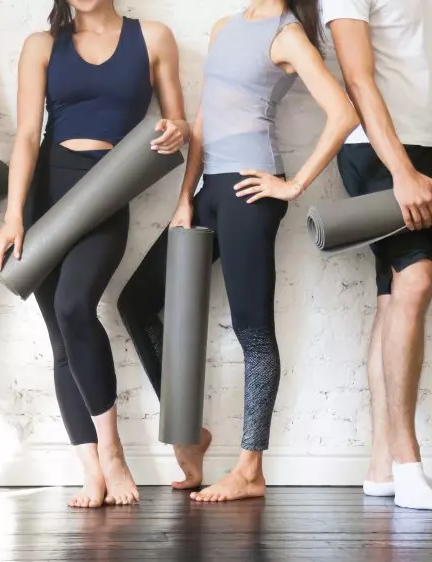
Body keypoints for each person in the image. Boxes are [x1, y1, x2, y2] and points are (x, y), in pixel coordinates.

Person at [117, 0, 357, 502]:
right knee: (136, 303)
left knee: (253, 331)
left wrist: (292, 186)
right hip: (209, 194)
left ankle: (250, 468)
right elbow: (203, 122)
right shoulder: (223, 28)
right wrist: (185, 198)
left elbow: (343, 112)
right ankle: (190, 432)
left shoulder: (287, 35)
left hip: (252, 192)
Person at [0, 0, 191, 508]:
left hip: (107, 192)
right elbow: (29, 135)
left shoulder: (154, 38)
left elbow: (177, 122)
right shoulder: (42, 45)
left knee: (75, 305)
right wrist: (14, 216)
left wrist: (178, 131)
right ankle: (91, 471)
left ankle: (113, 451)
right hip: (47, 193)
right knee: (60, 337)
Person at [325, 0, 432, 510]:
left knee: (394, 296)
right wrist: (401, 173)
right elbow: (358, 79)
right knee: (416, 278)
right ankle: (408, 460)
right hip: (371, 148)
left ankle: (382, 469)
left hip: (425, 147)